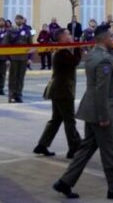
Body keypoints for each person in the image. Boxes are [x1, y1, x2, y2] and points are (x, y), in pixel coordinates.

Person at [52, 24, 113, 200]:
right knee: (109, 149)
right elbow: (102, 90)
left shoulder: (92, 55)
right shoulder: (104, 60)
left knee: (86, 148)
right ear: (104, 39)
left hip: (89, 108)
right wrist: (104, 116)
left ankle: (65, 182)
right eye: (111, 37)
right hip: (99, 111)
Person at [35, 28, 83, 157]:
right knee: (69, 119)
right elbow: (74, 62)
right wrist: (78, 49)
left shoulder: (63, 51)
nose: (71, 36)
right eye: (68, 34)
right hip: (62, 91)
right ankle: (74, 147)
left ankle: (42, 145)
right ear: (62, 38)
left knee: (56, 119)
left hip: (59, 90)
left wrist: (75, 48)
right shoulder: (61, 52)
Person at [6, 15, 32, 103]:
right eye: (17, 19)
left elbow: (30, 45)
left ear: (23, 20)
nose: (19, 21)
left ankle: (18, 95)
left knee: (20, 77)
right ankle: (11, 95)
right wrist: (7, 58)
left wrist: (30, 57)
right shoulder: (10, 30)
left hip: (23, 58)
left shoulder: (27, 30)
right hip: (13, 57)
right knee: (13, 77)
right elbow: (6, 45)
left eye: (21, 19)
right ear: (15, 20)